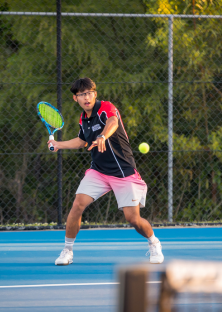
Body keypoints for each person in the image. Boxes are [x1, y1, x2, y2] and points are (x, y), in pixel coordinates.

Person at [48, 77, 164, 266]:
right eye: (82, 95)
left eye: (90, 93)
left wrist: (102, 135)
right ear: (75, 98)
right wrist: (58, 144)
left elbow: (113, 122)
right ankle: (67, 250)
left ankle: (154, 242)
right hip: (99, 171)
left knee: (133, 219)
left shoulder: (106, 107)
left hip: (123, 171)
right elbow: (82, 141)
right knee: (77, 205)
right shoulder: (83, 118)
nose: (87, 98)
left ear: (95, 94)